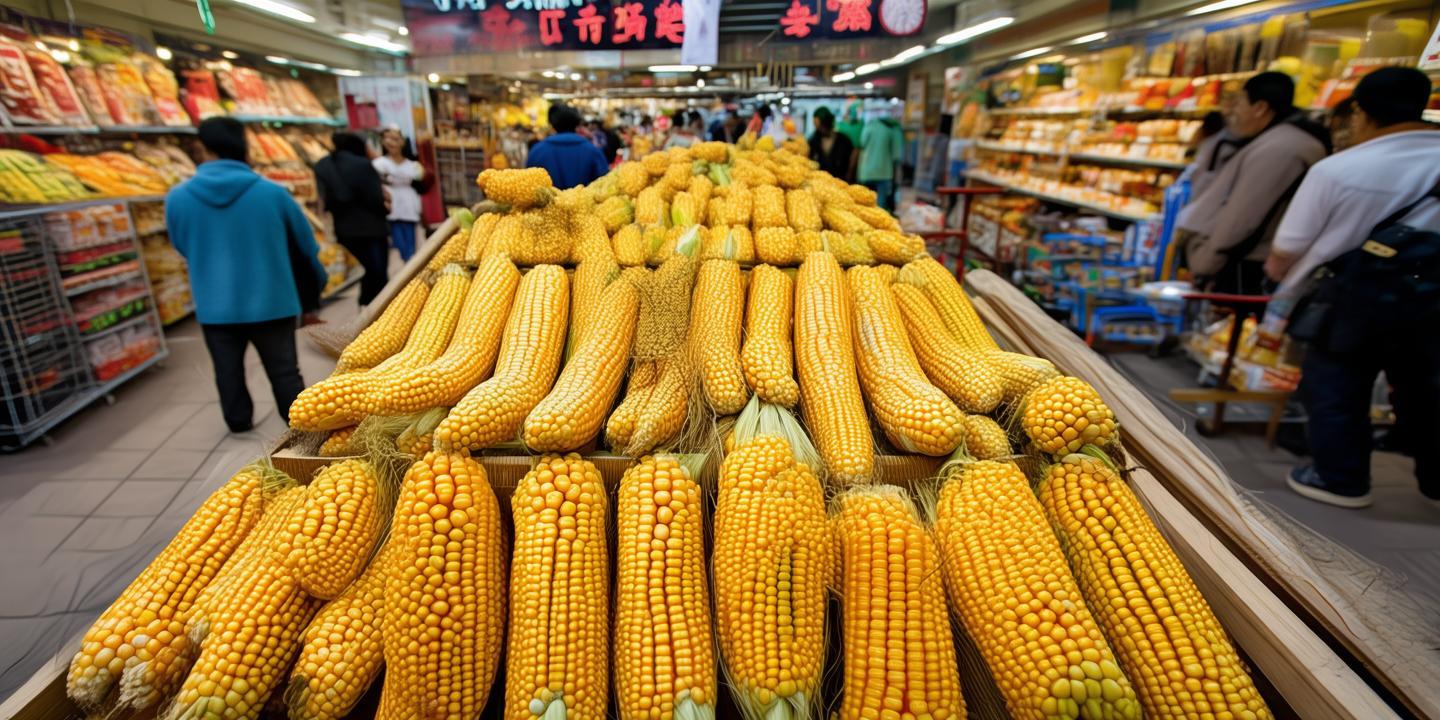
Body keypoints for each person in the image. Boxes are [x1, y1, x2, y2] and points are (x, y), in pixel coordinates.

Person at [1260, 67, 1440, 509]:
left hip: (1350, 300)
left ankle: (1339, 478)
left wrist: (1277, 276)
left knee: (1337, 384)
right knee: (1426, 388)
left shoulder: (1338, 169)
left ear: (1360, 111)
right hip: (1430, 300)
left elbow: (1288, 246)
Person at [165, 117, 327, 432]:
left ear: (203, 148)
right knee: (284, 371)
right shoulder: (273, 194)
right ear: (244, 145)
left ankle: (239, 421)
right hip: (273, 300)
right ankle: (299, 430)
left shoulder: (178, 198)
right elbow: (306, 245)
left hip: (215, 303)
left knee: (227, 371)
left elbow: (181, 245)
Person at [1175, 72, 1331, 295]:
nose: (1233, 112)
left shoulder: (1279, 150)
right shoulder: (1277, 141)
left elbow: (1242, 219)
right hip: (1246, 263)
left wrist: (1204, 263)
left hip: (1247, 269)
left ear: (1260, 108)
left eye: (1239, 103)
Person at [315, 132, 389, 306]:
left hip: (344, 229)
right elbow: (376, 198)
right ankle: (378, 308)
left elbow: (323, 201)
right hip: (372, 228)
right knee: (377, 274)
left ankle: (364, 306)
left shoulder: (322, 166)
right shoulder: (363, 165)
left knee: (360, 271)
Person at [372, 126, 424, 262]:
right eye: (388, 139)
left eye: (395, 139)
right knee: (399, 241)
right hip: (391, 203)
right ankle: (408, 262)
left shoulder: (413, 165)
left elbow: (420, 181)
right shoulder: (379, 164)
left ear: (402, 142)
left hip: (408, 203)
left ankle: (410, 263)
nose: (392, 143)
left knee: (410, 242)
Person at [527, 103, 609, 188]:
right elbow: (605, 185)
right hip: (584, 196)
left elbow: (529, 186)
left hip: (547, 197)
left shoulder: (537, 151)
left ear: (552, 124)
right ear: (577, 124)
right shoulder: (593, 151)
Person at [858, 109, 904, 212]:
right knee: (880, 208)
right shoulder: (893, 129)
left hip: (867, 172)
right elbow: (896, 155)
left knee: (864, 206)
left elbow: (862, 143)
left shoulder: (869, 126)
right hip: (884, 173)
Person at [808, 107, 855, 181]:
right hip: (819, 182)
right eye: (819, 127)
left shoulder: (843, 141)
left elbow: (852, 156)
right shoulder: (813, 141)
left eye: (823, 126)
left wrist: (849, 173)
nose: (822, 129)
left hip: (840, 180)